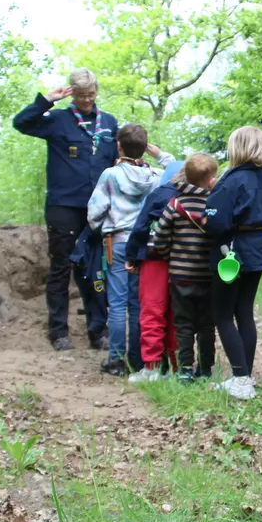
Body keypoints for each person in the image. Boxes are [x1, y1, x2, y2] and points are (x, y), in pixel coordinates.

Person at [13, 69, 118, 351]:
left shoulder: (108, 123)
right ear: (72, 92)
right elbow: (21, 123)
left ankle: (98, 330)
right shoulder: (58, 120)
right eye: (81, 95)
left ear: (97, 91)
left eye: (91, 94)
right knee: (61, 267)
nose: (86, 100)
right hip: (63, 206)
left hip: (97, 209)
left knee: (95, 269)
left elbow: (118, 163)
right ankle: (58, 331)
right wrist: (47, 100)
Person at [87, 123, 175, 376]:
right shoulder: (156, 176)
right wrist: (157, 153)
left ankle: (115, 358)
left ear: (118, 145)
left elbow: (94, 214)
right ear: (145, 149)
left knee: (117, 303)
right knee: (140, 303)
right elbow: (177, 166)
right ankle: (139, 359)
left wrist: (103, 225)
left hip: (117, 243)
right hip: (147, 245)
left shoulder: (110, 175)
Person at [203, 126, 262, 400]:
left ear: (236, 147)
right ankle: (244, 377)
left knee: (223, 314)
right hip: (257, 249)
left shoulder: (231, 180)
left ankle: (240, 378)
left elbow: (214, 220)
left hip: (231, 251)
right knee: (244, 312)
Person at [148, 153, 219, 383]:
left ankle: (185, 370)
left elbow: (159, 239)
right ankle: (206, 369)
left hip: (180, 276)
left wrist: (171, 256)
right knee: (207, 325)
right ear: (211, 180)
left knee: (183, 324)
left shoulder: (174, 204)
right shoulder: (214, 205)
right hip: (208, 276)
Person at [125, 159, 184, 377]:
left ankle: (151, 368)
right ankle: (178, 368)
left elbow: (140, 227)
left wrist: (132, 256)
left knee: (152, 312)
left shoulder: (159, 194)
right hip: (185, 263)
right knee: (177, 317)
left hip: (154, 260)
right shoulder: (195, 196)